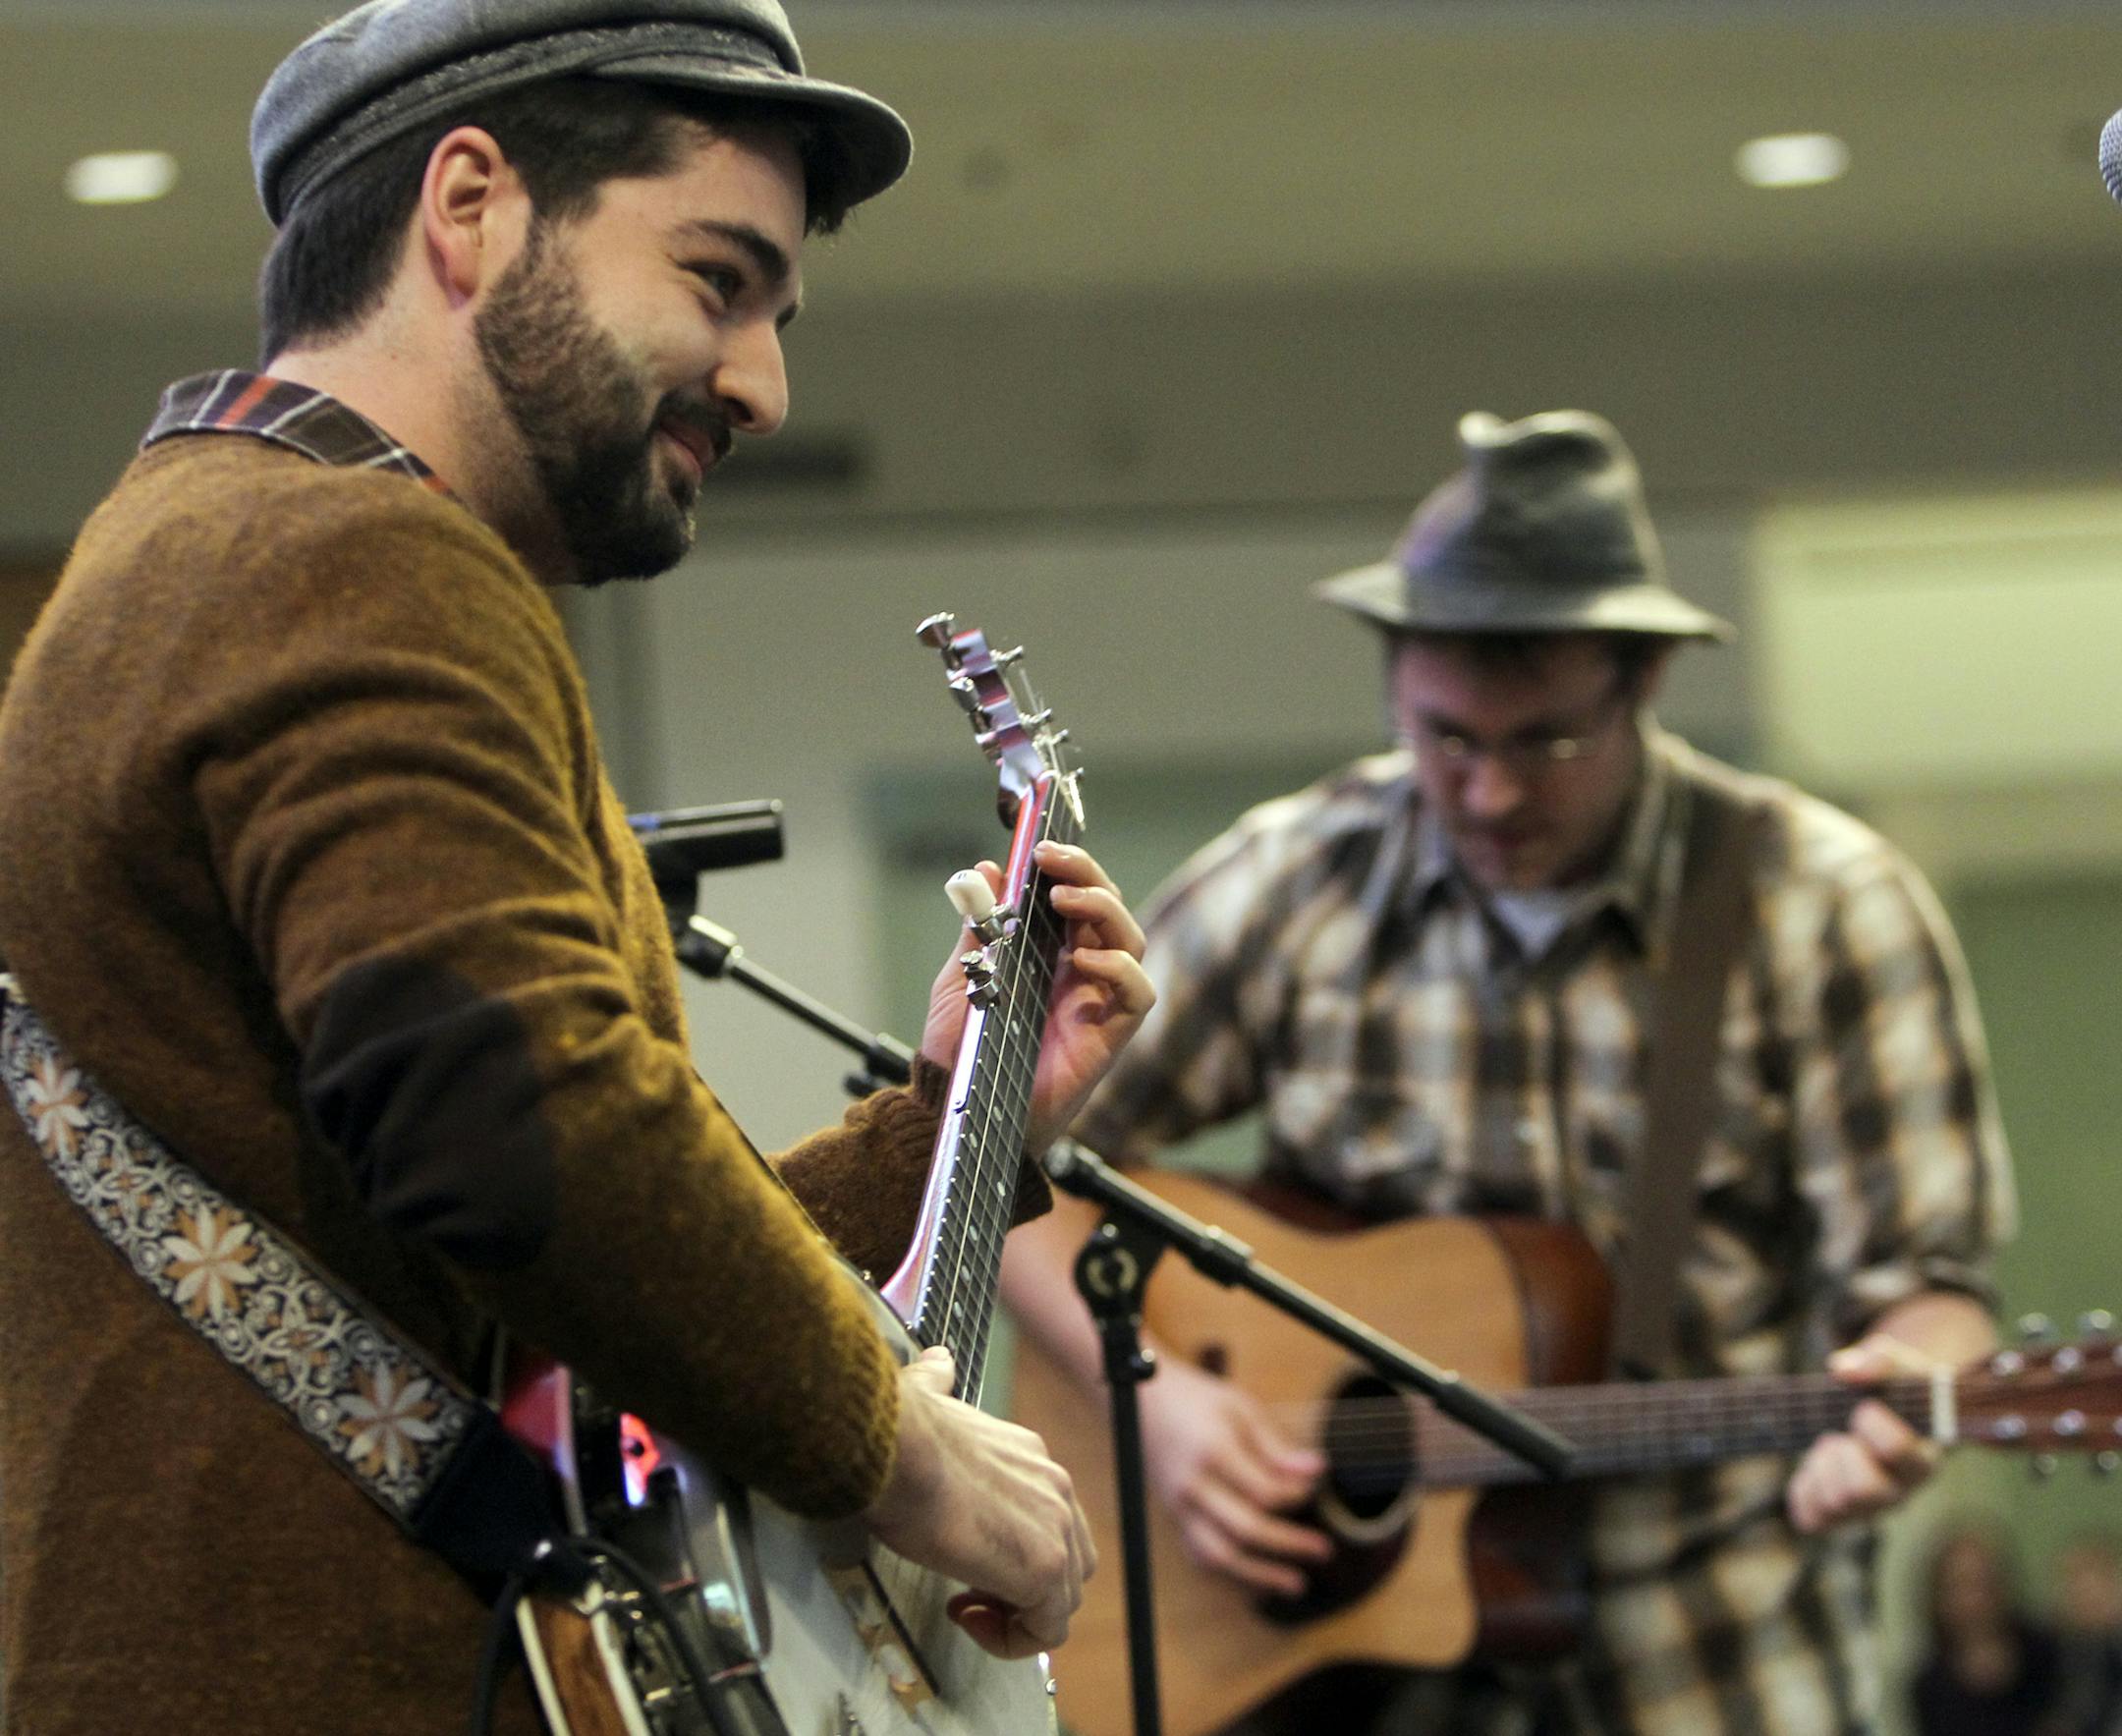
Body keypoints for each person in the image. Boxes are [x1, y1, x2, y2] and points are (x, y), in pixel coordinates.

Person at [0, 2, 1153, 1731]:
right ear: (470, 207)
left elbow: (507, 1272)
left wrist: (953, 1119)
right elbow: (518, 1126)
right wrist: (906, 1448)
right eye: (716, 277)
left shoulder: (200, 543)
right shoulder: (356, 559)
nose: (762, 382)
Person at [1000, 409, 2016, 1732]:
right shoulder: (1300, 878)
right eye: (1445, 738)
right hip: (1330, 1668)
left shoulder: (1824, 906)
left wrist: (1905, 1403)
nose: (1486, 793)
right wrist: (1162, 1399)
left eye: (1545, 741)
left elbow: (1931, 1296)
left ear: (1643, 683)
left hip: (1716, 1648)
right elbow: (999, 1167)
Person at [1909, 1525, 2065, 1736]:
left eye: (1983, 1582)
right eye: (1960, 1585)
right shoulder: (1930, 1686)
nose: (1975, 1599)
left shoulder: (2048, 1652)